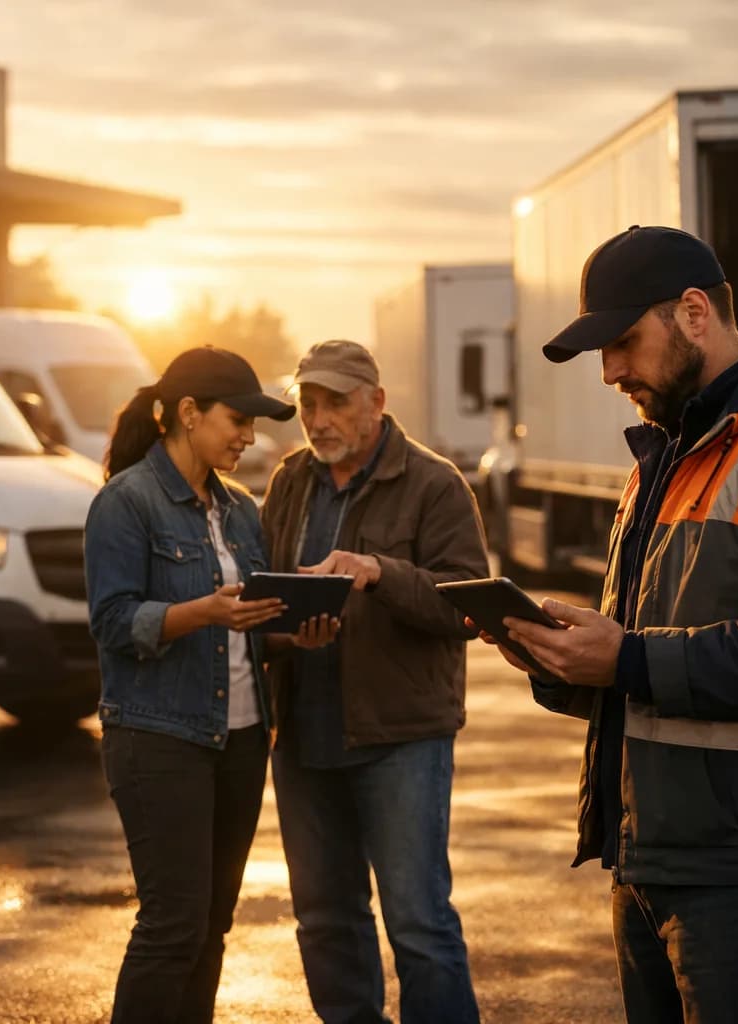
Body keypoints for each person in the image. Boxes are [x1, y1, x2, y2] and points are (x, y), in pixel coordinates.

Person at [494, 226, 738, 1023]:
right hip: (662, 853)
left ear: (692, 313)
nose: (609, 372)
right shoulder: (674, 456)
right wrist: (561, 657)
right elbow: (642, 655)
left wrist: (628, 661)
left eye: (622, 342)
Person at [84, 346, 334, 1023]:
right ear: (187, 414)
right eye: (238, 421)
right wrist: (205, 611)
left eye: (254, 424)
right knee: (172, 924)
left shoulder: (241, 509)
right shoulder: (125, 502)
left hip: (243, 739)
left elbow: (246, 626)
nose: (249, 437)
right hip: (159, 737)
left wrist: (292, 635)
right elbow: (111, 623)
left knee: (213, 925)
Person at [260, 339, 488, 1024]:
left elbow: (469, 607)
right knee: (325, 921)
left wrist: (380, 573)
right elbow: (266, 594)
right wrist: (285, 629)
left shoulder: (435, 483)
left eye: (337, 402)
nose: (320, 419)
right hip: (303, 735)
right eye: (309, 404)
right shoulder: (290, 481)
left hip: (400, 739)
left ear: (377, 402)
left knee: (419, 925)